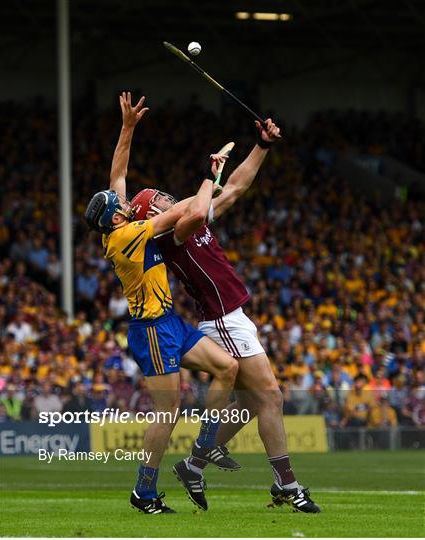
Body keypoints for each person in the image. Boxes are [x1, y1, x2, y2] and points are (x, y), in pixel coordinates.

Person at [128, 107, 320, 512]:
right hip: (222, 318)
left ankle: (194, 466)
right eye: (160, 198)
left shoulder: (187, 220)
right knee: (271, 397)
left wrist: (261, 147)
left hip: (231, 315)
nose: (167, 197)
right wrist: (208, 173)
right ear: (153, 214)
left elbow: (234, 189)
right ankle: (286, 483)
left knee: (254, 402)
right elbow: (198, 207)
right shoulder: (174, 233)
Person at [85, 92, 238, 515]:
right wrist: (211, 176)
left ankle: (204, 452)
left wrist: (128, 127)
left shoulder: (117, 223)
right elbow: (184, 213)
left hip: (170, 322)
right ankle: (143, 492)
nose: (125, 201)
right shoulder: (126, 235)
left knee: (228, 367)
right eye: (121, 206)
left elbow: (119, 173)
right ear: (116, 218)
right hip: (150, 330)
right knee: (167, 413)